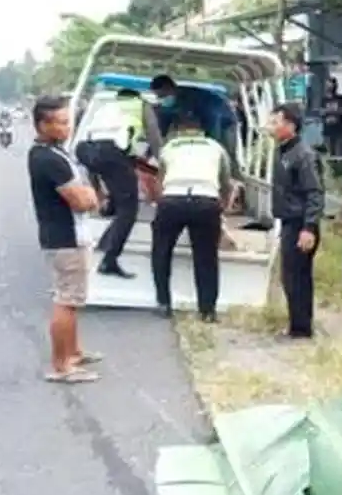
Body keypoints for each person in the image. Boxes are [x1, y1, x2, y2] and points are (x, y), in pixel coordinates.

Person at [27, 95, 102, 385]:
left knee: (72, 299)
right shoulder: (47, 159)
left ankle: (73, 353)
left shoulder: (57, 153)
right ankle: (61, 365)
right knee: (66, 301)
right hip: (65, 238)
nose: (66, 128)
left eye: (68, 121)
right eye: (59, 123)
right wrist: (91, 195)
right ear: (42, 125)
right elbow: (81, 200)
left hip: (70, 236)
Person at [150, 112, 237, 321]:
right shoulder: (216, 148)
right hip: (206, 201)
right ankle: (207, 311)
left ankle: (164, 303)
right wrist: (222, 205)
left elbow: (159, 180)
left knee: (161, 251)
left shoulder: (169, 148)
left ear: (178, 130)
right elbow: (226, 182)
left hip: (172, 200)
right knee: (206, 257)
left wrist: (160, 202)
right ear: (202, 130)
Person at [83, 88, 164, 279]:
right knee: (129, 208)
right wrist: (163, 163)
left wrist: (97, 190)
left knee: (119, 198)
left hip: (90, 151)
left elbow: (94, 148)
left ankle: (105, 243)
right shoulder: (142, 106)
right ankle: (109, 260)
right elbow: (154, 138)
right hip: (112, 154)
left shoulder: (105, 109)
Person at [270, 103, 325, 340]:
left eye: (276, 122)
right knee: (290, 276)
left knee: (298, 277)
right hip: (288, 220)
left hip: (300, 222)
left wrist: (309, 227)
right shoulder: (281, 151)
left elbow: (314, 192)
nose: (271, 127)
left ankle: (301, 328)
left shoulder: (303, 155)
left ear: (291, 126)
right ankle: (297, 323)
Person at [321, 77, 342, 158]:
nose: (329, 87)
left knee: (340, 156)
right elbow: (321, 113)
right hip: (327, 132)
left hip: (340, 131)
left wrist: (329, 112)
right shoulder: (323, 100)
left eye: (331, 84)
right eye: (327, 84)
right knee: (328, 157)